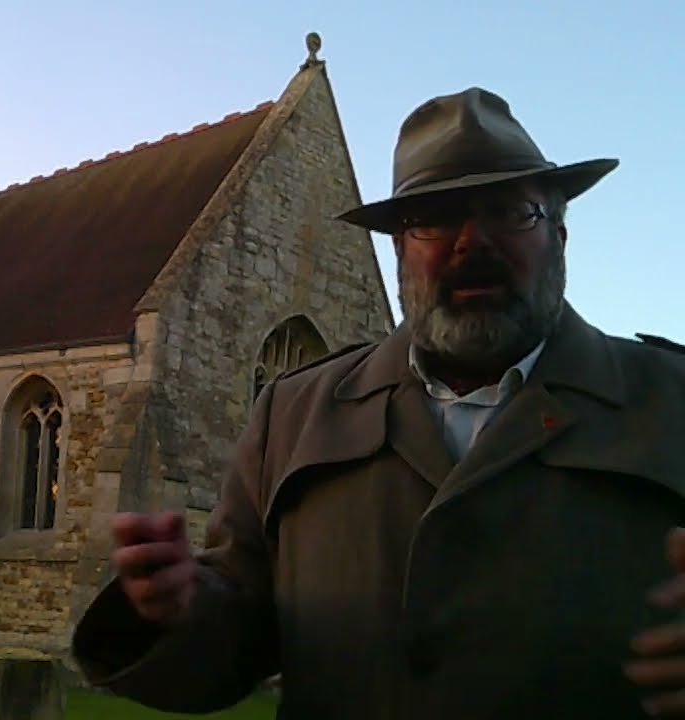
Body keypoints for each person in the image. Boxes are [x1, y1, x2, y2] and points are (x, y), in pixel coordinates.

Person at [69, 87, 685, 719]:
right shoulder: (294, 414)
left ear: (559, 234)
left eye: (510, 211)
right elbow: (241, 634)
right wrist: (179, 608)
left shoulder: (671, 401)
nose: (472, 241)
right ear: (399, 251)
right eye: (435, 217)